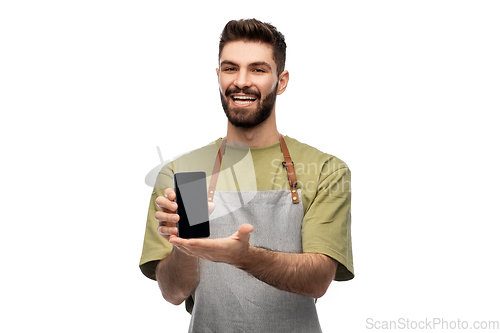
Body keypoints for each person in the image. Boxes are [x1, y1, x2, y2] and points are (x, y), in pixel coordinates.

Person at [140, 18, 354, 332]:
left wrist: (244, 257)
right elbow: (174, 293)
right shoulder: (186, 173)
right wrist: (184, 245)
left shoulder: (324, 170)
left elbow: (318, 280)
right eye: (230, 68)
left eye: (257, 69)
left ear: (281, 81)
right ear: (218, 77)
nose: (241, 81)